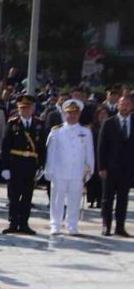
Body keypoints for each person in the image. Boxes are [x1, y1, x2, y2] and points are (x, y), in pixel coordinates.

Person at [44, 99, 94, 235]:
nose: (72, 115)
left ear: (79, 114)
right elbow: (51, 152)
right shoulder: (57, 131)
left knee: (75, 199)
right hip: (59, 171)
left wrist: (89, 170)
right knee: (57, 200)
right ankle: (55, 225)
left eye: (75, 113)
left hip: (77, 172)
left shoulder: (85, 131)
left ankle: (72, 225)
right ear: (64, 114)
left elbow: (89, 153)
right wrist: (49, 170)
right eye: (69, 113)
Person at [0, 95, 47, 235]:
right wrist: (5, 167)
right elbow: (6, 146)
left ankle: (24, 223)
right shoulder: (12, 123)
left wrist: (41, 166)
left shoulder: (39, 124)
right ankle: (13, 223)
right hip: (15, 164)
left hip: (30, 165)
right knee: (14, 196)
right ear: (18, 109)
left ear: (33, 108)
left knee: (27, 196)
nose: (25, 110)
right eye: (22, 108)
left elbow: (42, 147)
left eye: (28, 108)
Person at [97, 94, 133, 237]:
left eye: (127, 104)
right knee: (107, 199)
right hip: (110, 168)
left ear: (132, 106)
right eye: (122, 104)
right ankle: (106, 226)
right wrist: (101, 167)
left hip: (128, 169)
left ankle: (120, 227)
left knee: (123, 199)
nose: (124, 107)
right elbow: (101, 147)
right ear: (118, 105)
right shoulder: (109, 123)